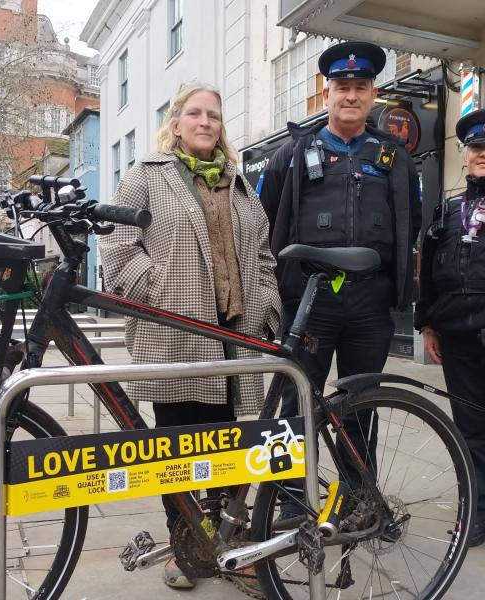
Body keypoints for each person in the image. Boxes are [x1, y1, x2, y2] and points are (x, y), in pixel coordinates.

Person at [100, 82, 281, 588]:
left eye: (215, 116)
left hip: (231, 335)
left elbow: (264, 255)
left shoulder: (239, 185)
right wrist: (164, 298)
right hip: (174, 335)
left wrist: (265, 303)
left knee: (225, 446)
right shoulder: (145, 178)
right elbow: (118, 254)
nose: (206, 122)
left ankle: (227, 542)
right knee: (176, 450)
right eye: (196, 114)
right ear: (176, 123)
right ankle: (186, 546)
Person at [259, 41, 421, 514]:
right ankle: (286, 503)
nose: (351, 96)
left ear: (374, 95)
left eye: (360, 88)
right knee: (295, 403)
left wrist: (402, 294)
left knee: (360, 405)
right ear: (325, 93)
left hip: (370, 305)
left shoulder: (395, 157)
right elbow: (266, 224)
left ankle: (356, 496)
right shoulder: (292, 153)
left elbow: (408, 222)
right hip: (308, 301)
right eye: (342, 87)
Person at [415, 106, 485, 557]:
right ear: (465, 154)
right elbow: (429, 273)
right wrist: (428, 324)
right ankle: (481, 511)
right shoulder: (449, 210)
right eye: (477, 148)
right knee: (470, 431)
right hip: (456, 338)